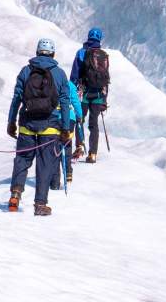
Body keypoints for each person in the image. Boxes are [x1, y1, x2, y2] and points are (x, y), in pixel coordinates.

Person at [6, 36, 75, 216]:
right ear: (53, 54)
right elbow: (65, 102)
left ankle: (15, 194)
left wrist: (11, 122)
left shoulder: (25, 71)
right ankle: (40, 204)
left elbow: (17, 98)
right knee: (45, 164)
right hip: (50, 126)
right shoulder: (59, 74)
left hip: (27, 123)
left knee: (22, 159)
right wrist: (66, 128)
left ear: (37, 52)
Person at [69, 27, 111, 163]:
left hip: (84, 93)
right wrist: (104, 99)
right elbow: (106, 79)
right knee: (94, 124)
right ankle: (93, 154)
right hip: (98, 95)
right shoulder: (103, 55)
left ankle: (79, 146)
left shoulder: (81, 53)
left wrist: (72, 92)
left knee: (80, 119)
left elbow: (74, 75)